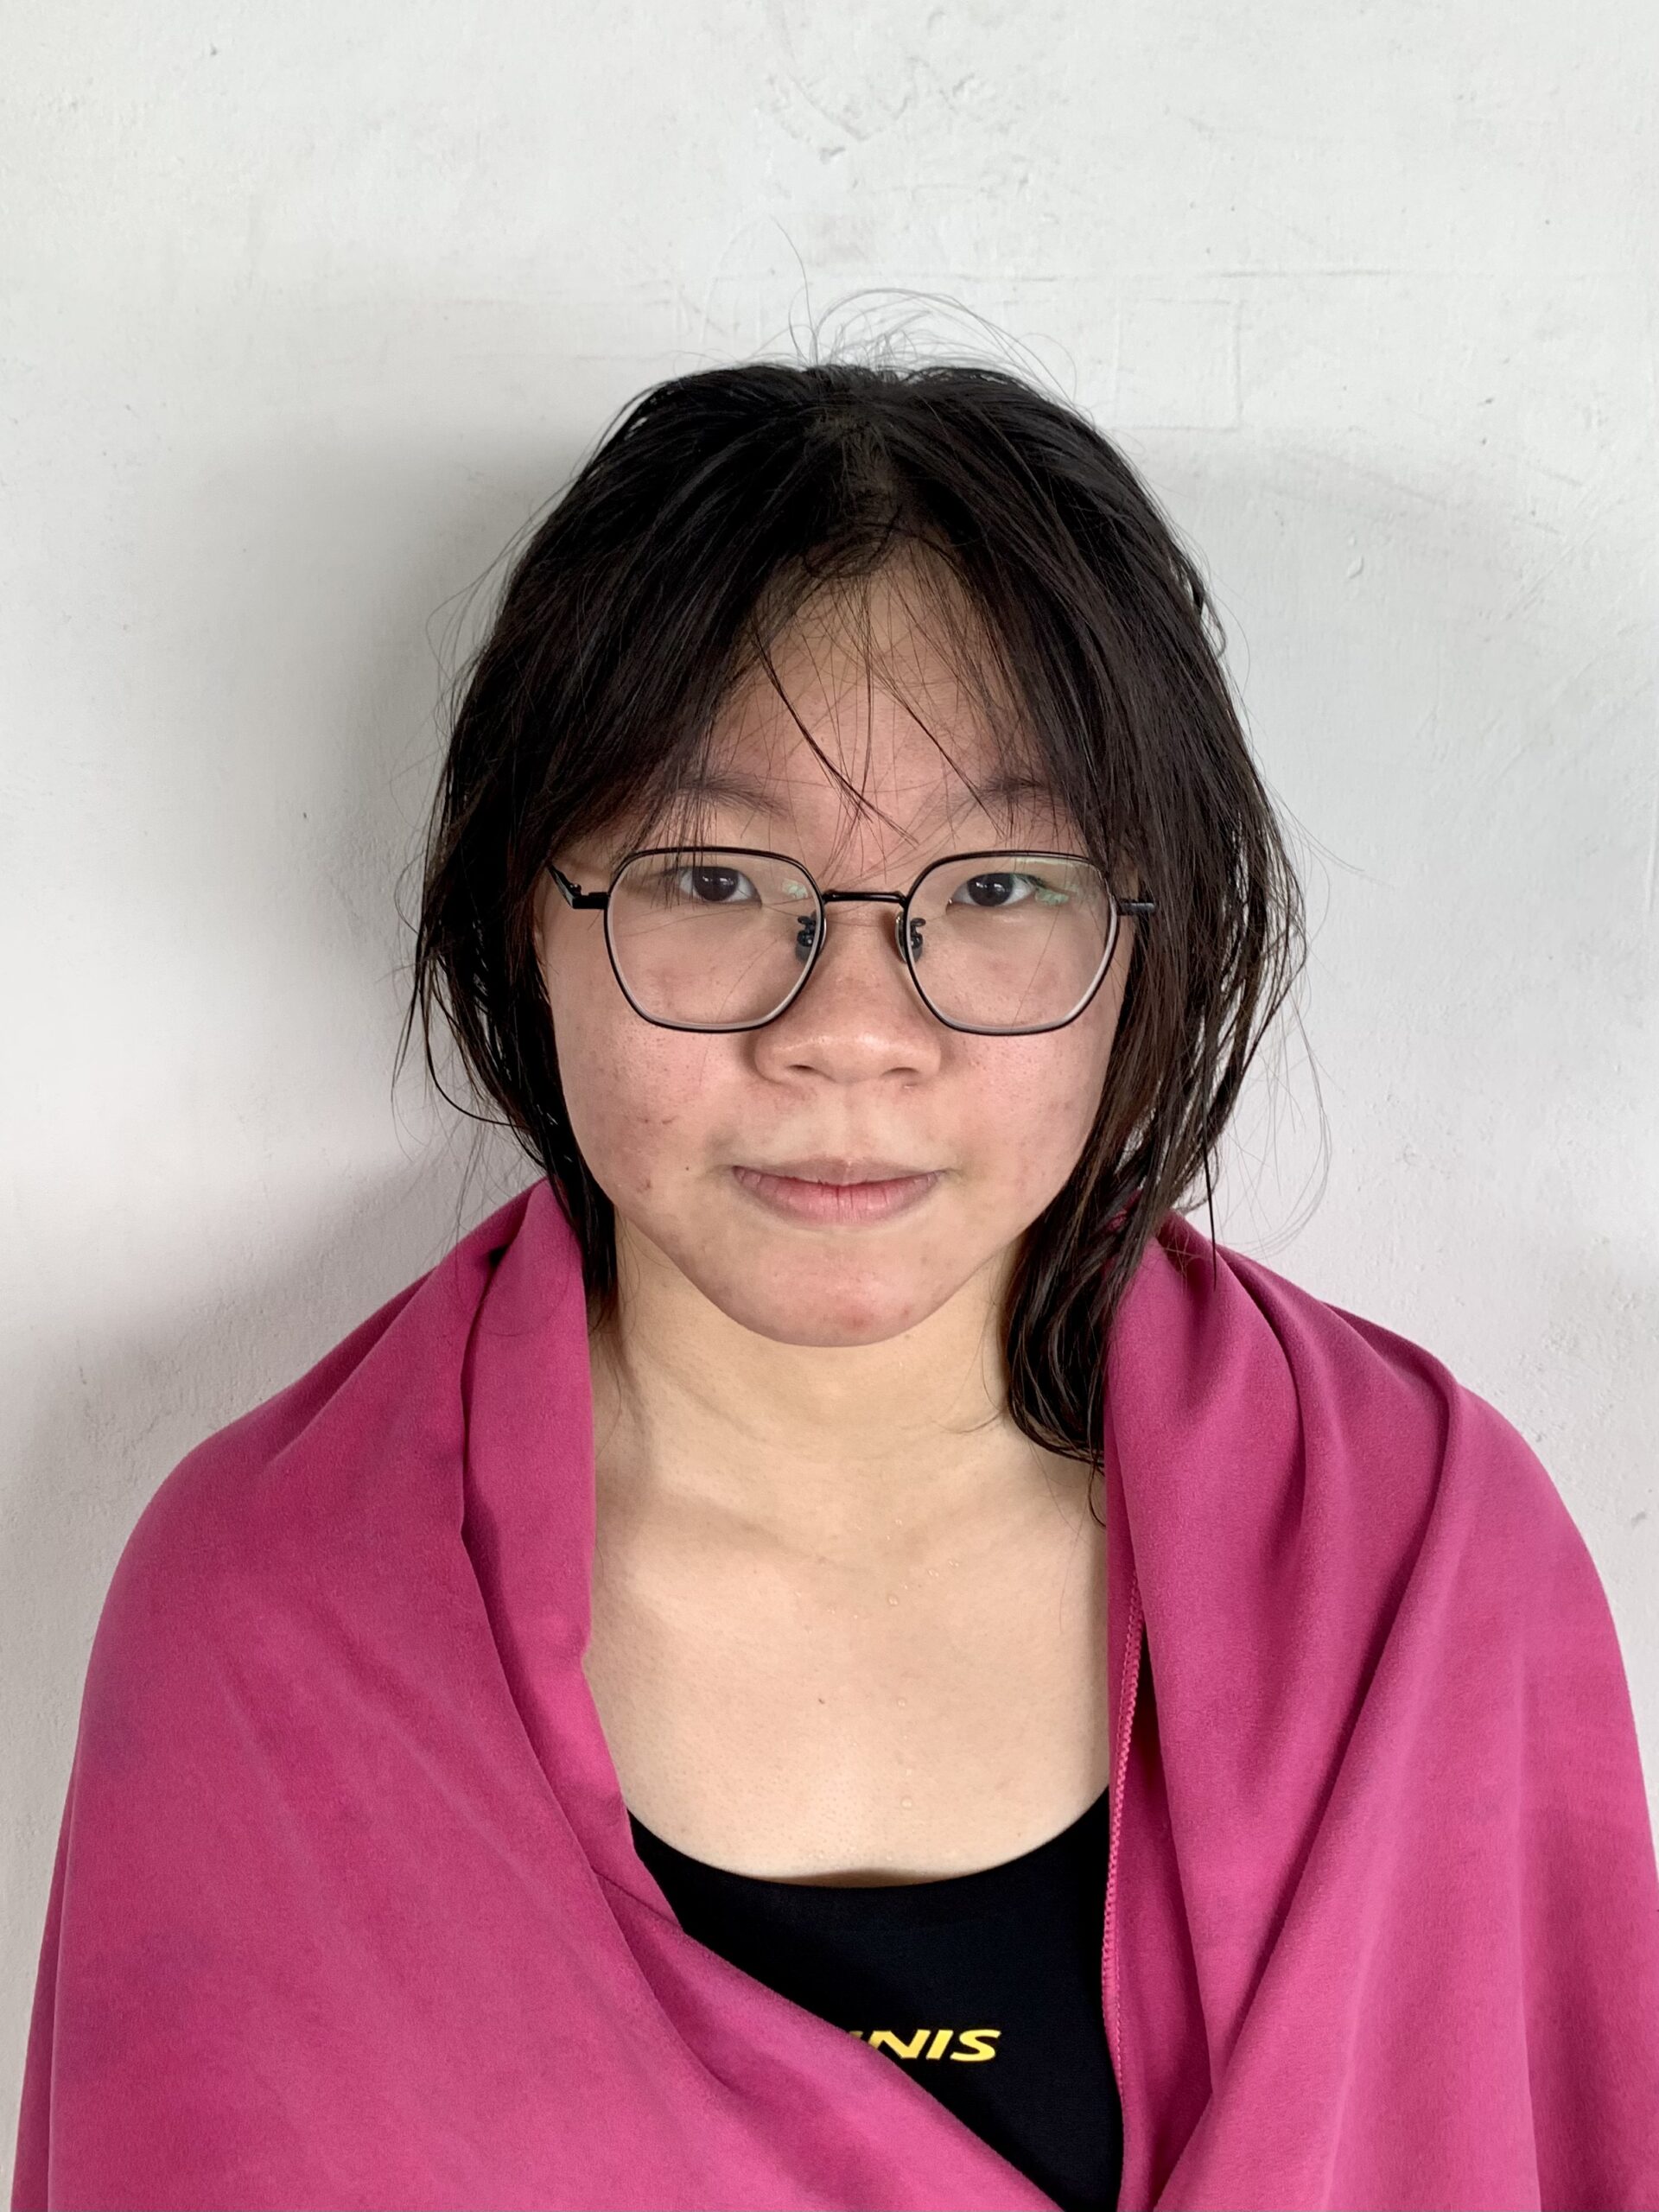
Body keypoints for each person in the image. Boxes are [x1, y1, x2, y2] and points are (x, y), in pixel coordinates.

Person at [13, 358, 1659, 2212]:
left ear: (1148, 931)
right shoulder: (266, 1612)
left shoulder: (1429, 1574)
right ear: (527, 911)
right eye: (713, 879)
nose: (851, 1030)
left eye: (1000, 886)